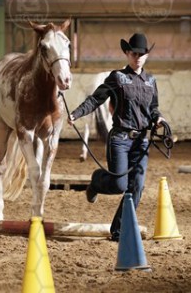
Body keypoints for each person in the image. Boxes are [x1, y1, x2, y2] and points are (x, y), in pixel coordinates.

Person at [68, 33, 166, 242]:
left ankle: (118, 230)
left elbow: (153, 108)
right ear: (127, 53)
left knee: (137, 186)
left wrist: (158, 118)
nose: (137, 57)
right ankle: (97, 181)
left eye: (141, 54)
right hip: (120, 139)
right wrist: (76, 113)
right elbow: (96, 99)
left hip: (142, 141)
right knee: (120, 185)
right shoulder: (117, 77)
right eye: (134, 53)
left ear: (146, 55)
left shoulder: (151, 81)